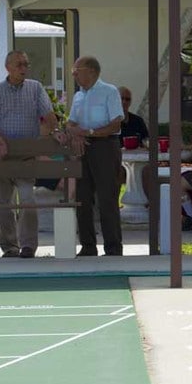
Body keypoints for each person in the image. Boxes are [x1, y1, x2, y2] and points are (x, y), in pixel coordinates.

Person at [0, 50, 59, 258]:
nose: (24, 68)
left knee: (27, 201)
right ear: (8, 68)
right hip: (0, 158)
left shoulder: (35, 88)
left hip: (25, 157)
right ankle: (9, 247)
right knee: (2, 205)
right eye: (19, 65)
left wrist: (47, 131)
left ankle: (28, 246)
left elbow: (49, 118)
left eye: (26, 64)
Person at [66, 55, 125, 256]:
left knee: (107, 197)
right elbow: (71, 122)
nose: (73, 75)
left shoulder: (109, 92)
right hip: (83, 148)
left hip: (105, 147)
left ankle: (113, 247)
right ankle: (88, 245)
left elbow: (116, 123)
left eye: (76, 71)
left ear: (90, 71)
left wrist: (90, 132)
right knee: (83, 197)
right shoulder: (78, 96)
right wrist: (75, 134)